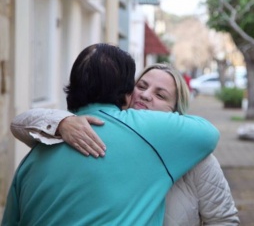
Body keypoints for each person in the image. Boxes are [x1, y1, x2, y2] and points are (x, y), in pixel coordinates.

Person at [2, 43, 220, 225]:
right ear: (127, 94)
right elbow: (209, 132)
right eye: (140, 86)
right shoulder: (146, 132)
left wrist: (59, 122)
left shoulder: (30, 161)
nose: (144, 96)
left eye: (160, 95)